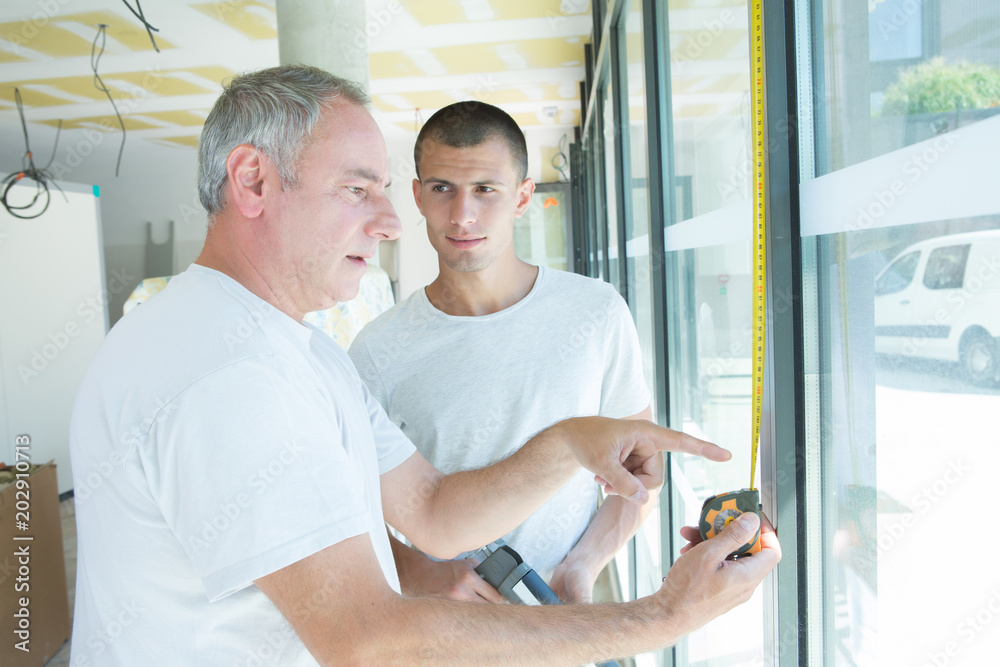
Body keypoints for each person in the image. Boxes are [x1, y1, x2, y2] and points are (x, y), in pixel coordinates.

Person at [68, 64, 780, 666]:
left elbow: (432, 509)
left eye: (382, 188)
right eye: (358, 189)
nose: (390, 221)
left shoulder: (307, 354)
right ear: (252, 180)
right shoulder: (227, 372)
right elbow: (365, 635)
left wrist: (566, 443)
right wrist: (660, 617)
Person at [349, 100, 653, 604]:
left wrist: (582, 566)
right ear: (418, 197)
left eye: (486, 190)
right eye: (442, 188)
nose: (463, 215)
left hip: (565, 613)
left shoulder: (596, 313)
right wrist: (422, 575)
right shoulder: (377, 352)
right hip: (449, 629)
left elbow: (643, 471)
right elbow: (350, 510)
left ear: (523, 197)